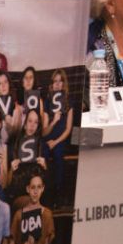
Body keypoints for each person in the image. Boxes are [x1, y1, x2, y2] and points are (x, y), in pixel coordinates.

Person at [41, 69, 74, 207]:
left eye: (60, 81)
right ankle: (45, 193)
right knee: (43, 154)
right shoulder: (48, 102)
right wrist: (54, 121)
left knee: (59, 156)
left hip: (60, 139)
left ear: (64, 84)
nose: (58, 84)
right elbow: (44, 132)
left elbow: (68, 129)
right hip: (49, 138)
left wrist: (56, 142)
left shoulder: (68, 102)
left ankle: (58, 193)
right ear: (52, 85)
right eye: (55, 81)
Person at [8, 109, 48, 212]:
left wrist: (44, 167)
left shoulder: (42, 146)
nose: (32, 125)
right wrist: (12, 170)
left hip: (37, 195)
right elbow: (7, 185)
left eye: (36, 122)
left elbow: (47, 185)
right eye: (30, 121)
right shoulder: (14, 145)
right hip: (20, 194)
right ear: (25, 124)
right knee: (30, 205)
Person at [0, 70, 21, 140]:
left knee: (16, 112)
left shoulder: (14, 102)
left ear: (9, 84)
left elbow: (18, 127)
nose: (3, 86)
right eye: (0, 83)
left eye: (5, 82)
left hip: (13, 135)